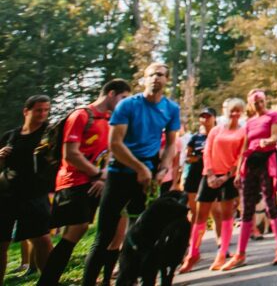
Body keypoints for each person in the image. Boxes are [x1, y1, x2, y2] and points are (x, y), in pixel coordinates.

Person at [82, 63, 181, 286]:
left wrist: (163, 169)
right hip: (119, 175)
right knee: (104, 236)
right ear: (144, 79)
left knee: (144, 235)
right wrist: (141, 169)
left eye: (161, 75)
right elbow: (114, 143)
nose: (156, 78)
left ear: (166, 80)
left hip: (147, 179)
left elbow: (171, 144)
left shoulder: (171, 109)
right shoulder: (127, 105)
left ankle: (132, 279)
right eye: (152, 74)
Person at [37, 80, 132, 286]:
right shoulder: (81, 115)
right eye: (123, 98)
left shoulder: (111, 119)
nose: (125, 104)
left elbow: (111, 151)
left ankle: (105, 280)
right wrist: (97, 174)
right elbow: (70, 154)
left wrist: (104, 176)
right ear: (111, 94)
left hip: (98, 182)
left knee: (113, 232)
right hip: (74, 182)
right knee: (75, 232)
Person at [222, 89, 277, 270]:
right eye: (255, 102)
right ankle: (240, 253)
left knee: (270, 203)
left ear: (265, 100)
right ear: (251, 104)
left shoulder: (273, 115)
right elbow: (244, 146)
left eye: (261, 101)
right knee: (246, 207)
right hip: (250, 163)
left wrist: (267, 141)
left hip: (266, 160)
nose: (259, 104)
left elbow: (275, 137)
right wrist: (238, 172)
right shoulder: (249, 122)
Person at [179, 98, 245, 272]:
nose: (235, 113)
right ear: (226, 111)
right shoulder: (216, 130)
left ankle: (222, 253)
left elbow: (240, 157)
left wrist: (226, 177)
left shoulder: (242, 132)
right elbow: (207, 152)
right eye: (232, 110)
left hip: (228, 178)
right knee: (200, 215)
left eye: (238, 110)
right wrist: (209, 174)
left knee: (226, 216)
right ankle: (193, 254)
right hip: (209, 176)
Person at [0, 95, 54, 283]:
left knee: (42, 240)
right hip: (6, 194)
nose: (43, 114)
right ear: (26, 111)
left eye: (46, 110)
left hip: (35, 194)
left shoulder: (49, 135)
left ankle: (49, 281)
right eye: (39, 110)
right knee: (1, 243)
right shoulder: (10, 136)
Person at [182, 108, 217, 221]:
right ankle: (193, 236)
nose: (205, 119)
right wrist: (195, 158)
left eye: (208, 116)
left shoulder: (219, 135)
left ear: (214, 118)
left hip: (212, 173)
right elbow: (187, 157)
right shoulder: (195, 138)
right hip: (195, 173)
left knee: (215, 210)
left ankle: (221, 236)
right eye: (203, 116)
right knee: (194, 210)